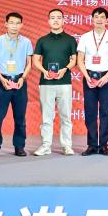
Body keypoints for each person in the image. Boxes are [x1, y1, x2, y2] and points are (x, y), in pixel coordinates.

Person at [32, 9, 78, 156]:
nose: (56, 20)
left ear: (63, 20)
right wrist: (44, 71)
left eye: (59, 17)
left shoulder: (70, 40)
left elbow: (74, 60)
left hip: (64, 82)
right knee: (47, 117)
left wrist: (65, 69)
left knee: (66, 116)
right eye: (53, 18)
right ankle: (46, 146)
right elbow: (35, 60)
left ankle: (67, 146)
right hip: (46, 83)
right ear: (48, 21)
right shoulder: (42, 40)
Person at [0, 12, 33, 157]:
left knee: (20, 118)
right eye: (11, 23)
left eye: (17, 23)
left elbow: (29, 63)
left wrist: (23, 78)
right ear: (6, 24)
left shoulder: (26, 42)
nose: (14, 26)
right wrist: (2, 79)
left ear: (22, 25)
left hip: (19, 82)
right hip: (2, 81)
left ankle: (19, 147)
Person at [77, 8, 108, 156]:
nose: (99, 19)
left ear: (107, 19)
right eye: (96, 17)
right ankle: (91, 145)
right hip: (89, 77)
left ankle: (103, 145)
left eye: (102, 17)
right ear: (92, 19)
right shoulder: (85, 37)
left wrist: (107, 76)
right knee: (90, 112)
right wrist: (87, 76)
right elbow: (80, 59)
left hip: (106, 77)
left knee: (105, 112)